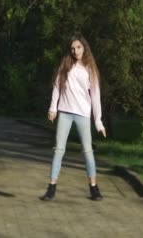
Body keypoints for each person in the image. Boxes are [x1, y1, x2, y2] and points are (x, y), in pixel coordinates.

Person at [40, 35, 106, 201]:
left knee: (87, 151)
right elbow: (57, 86)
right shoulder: (66, 65)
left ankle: (94, 188)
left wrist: (98, 121)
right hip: (65, 112)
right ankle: (51, 188)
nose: (75, 51)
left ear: (84, 48)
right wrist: (53, 108)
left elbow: (96, 96)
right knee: (59, 150)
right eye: (72, 48)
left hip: (83, 113)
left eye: (78, 47)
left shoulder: (90, 68)